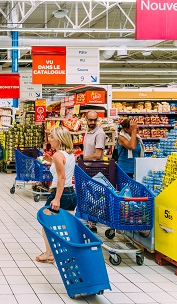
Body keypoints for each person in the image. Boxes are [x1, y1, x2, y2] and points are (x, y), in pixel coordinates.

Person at [36, 126, 77, 263]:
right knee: (67, 226)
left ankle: (49, 254)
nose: (50, 139)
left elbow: (61, 178)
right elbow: (64, 168)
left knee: (46, 224)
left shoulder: (58, 155)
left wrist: (57, 199)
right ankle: (69, 252)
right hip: (71, 194)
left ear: (59, 139)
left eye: (52, 137)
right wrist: (51, 161)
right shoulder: (70, 154)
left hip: (60, 194)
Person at [81, 110, 106, 232]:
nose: (92, 122)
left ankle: (92, 222)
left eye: (94, 120)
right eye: (90, 120)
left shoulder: (99, 133)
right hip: (87, 168)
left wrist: (82, 158)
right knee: (88, 195)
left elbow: (97, 154)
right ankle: (89, 221)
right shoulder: (88, 131)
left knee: (93, 197)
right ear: (86, 119)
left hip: (94, 169)